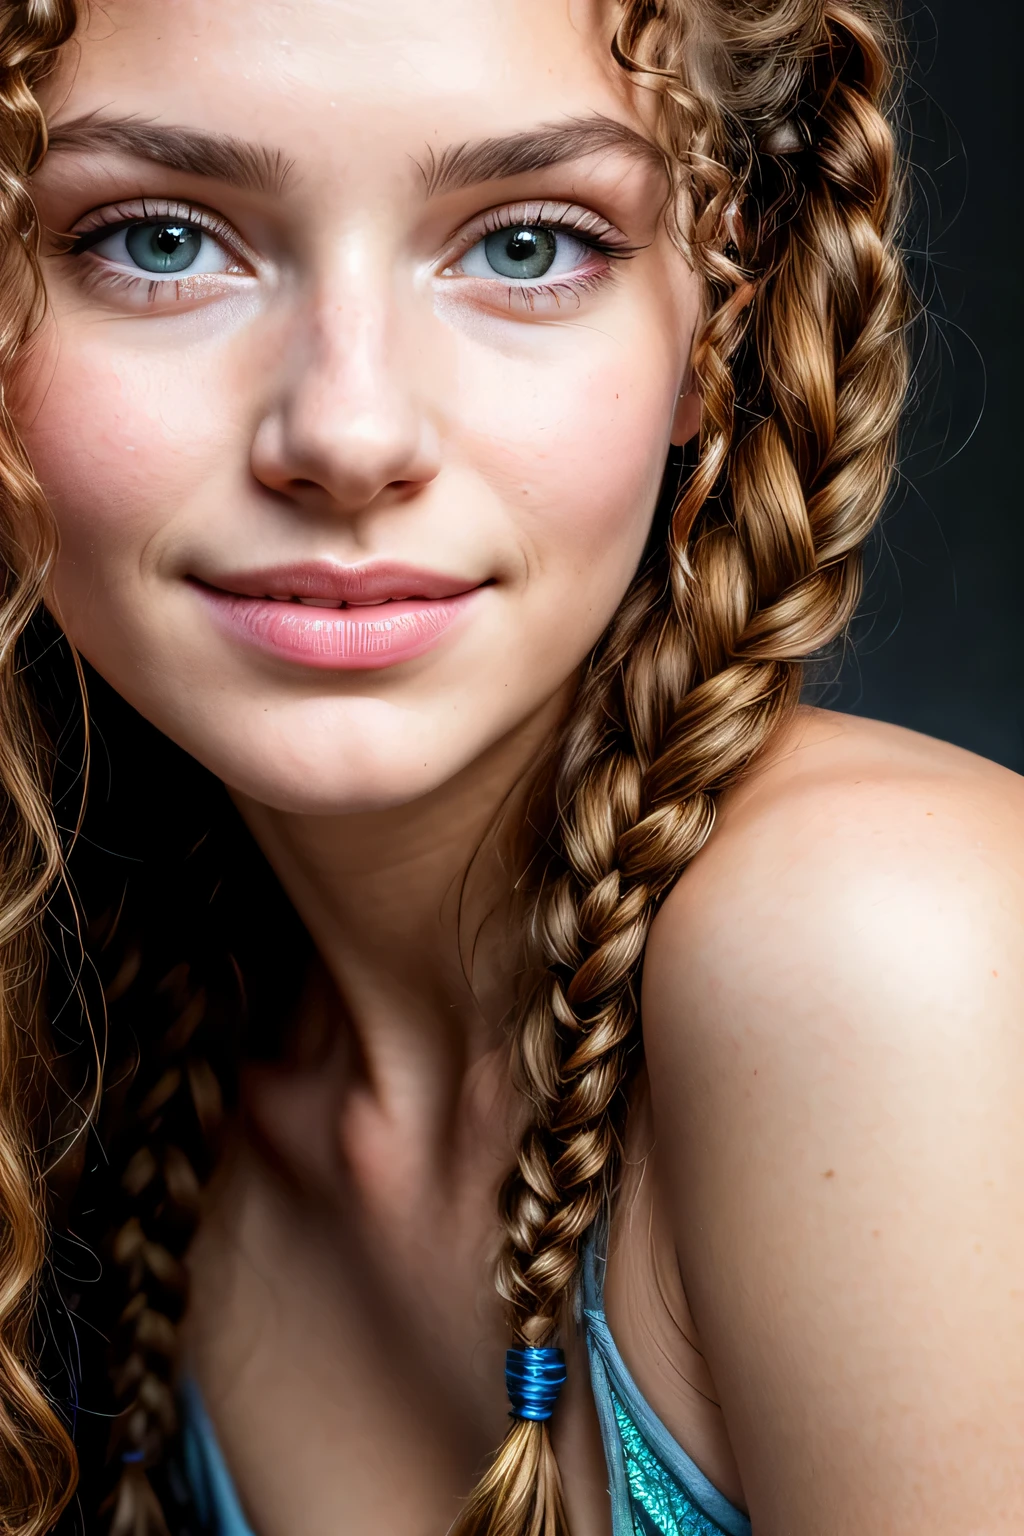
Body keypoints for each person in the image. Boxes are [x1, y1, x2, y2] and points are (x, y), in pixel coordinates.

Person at [0, 0, 1019, 1532]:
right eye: (157, 241)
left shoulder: (890, 951)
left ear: (714, 327)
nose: (347, 432)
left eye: (528, 245)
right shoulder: (155, 1070)